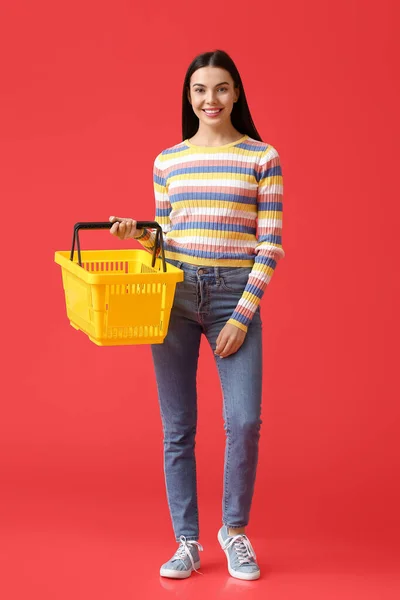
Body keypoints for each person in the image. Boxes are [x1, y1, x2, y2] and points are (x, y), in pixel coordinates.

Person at [109, 49, 284, 581]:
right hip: (175, 301)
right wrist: (137, 234)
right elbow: (164, 240)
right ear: (189, 97)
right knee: (178, 428)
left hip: (235, 297)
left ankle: (233, 531)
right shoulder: (168, 161)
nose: (211, 99)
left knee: (245, 422)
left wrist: (242, 315)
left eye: (222, 89)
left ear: (237, 94)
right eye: (200, 90)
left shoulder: (263, 157)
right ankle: (187, 541)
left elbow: (270, 243)